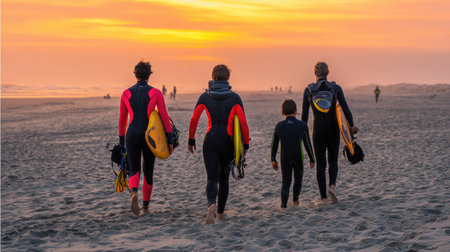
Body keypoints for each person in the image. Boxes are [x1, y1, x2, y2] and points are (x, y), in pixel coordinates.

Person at [188, 64, 250, 224]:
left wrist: (191, 139)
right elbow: (243, 123)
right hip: (227, 143)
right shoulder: (235, 98)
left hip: (210, 141)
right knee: (224, 179)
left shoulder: (205, 97)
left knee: (212, 178)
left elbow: (194, 118)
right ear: (227, 78)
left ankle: (211, 205)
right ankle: (220, 214)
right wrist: (245, 143)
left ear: (213, 77)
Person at [118, 61, 173, 216]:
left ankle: (134, 192)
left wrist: (122, 142)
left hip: (132, 134)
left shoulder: (126, 93)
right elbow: (164, 117)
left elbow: (122, 120)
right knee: (148, 171)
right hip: (150, 136)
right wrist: (169, 140)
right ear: (149, 75)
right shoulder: (155, 93)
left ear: (135, 74)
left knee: (134, 169)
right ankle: (145, 208)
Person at [301, 62, 358, 204]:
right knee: (333, 160)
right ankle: (332, 187)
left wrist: (301, 134)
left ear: (315, 73)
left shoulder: (308, 90)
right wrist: (351, 126)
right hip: (333, 129)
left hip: (318, 130)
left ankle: (324, 198)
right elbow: (345, 109)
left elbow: (304, 117)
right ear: (328, 72)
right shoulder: (336, 88)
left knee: (321, 163)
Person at [271, 99, 315, 209]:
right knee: (298, 179)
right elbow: (308, 144)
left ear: (282, 112)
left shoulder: (279, 126)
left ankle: (283, 205)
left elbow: (274, 145)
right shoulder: (302, 125)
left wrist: (273, 159)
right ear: (296, 111)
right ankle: (295, 201)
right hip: (298, 157)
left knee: (286, 180)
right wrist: (312, 158)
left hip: (285, 158)